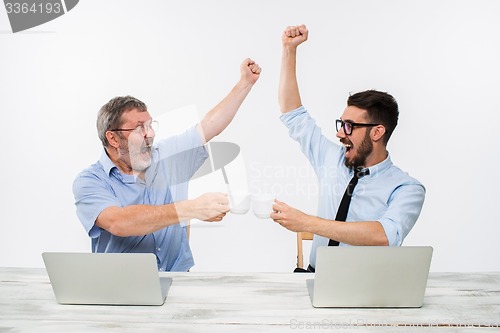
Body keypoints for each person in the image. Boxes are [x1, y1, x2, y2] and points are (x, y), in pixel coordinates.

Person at [73, 58, 261, 272]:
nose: (150, 134)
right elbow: (119, 222)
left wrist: (245, 83)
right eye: (139, 128)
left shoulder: (167, 155)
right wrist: (191, 209)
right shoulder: (89, 181)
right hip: (121, 287)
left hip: (179, 278)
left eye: (150, 125)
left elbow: (210, 125)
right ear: (114, 139)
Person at [271, 25, 425, 272]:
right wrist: (289, 50)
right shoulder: (331, 158)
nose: (340, 133)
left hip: (365, 287)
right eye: (341, 124)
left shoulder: (407, 188)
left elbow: (384, 235)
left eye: (350, 126)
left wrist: (307, 223)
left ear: (377, 132)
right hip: (314, 277)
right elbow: (293, 114)